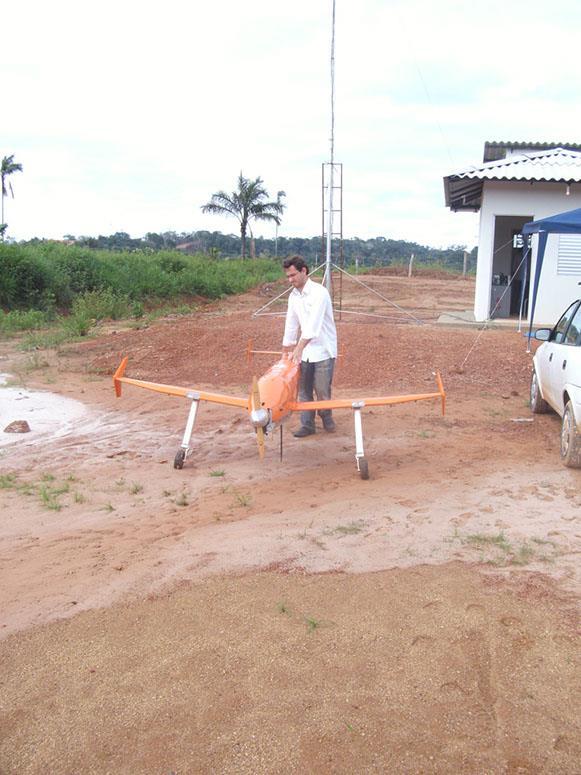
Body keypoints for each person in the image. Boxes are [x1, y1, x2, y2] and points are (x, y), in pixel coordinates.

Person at [282, 255, 337, 437]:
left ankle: (326, 416)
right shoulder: (293, 296)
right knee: (304, 391)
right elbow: (291, 323)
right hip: (305, 353)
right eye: (288, 277)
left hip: (323, 350)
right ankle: (307, 425)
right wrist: (286, 349)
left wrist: (298, 348)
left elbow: (313, 325)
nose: (290, 280)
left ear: (304, 271)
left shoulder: (319, 293)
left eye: (293, 275)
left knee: (322, 390)